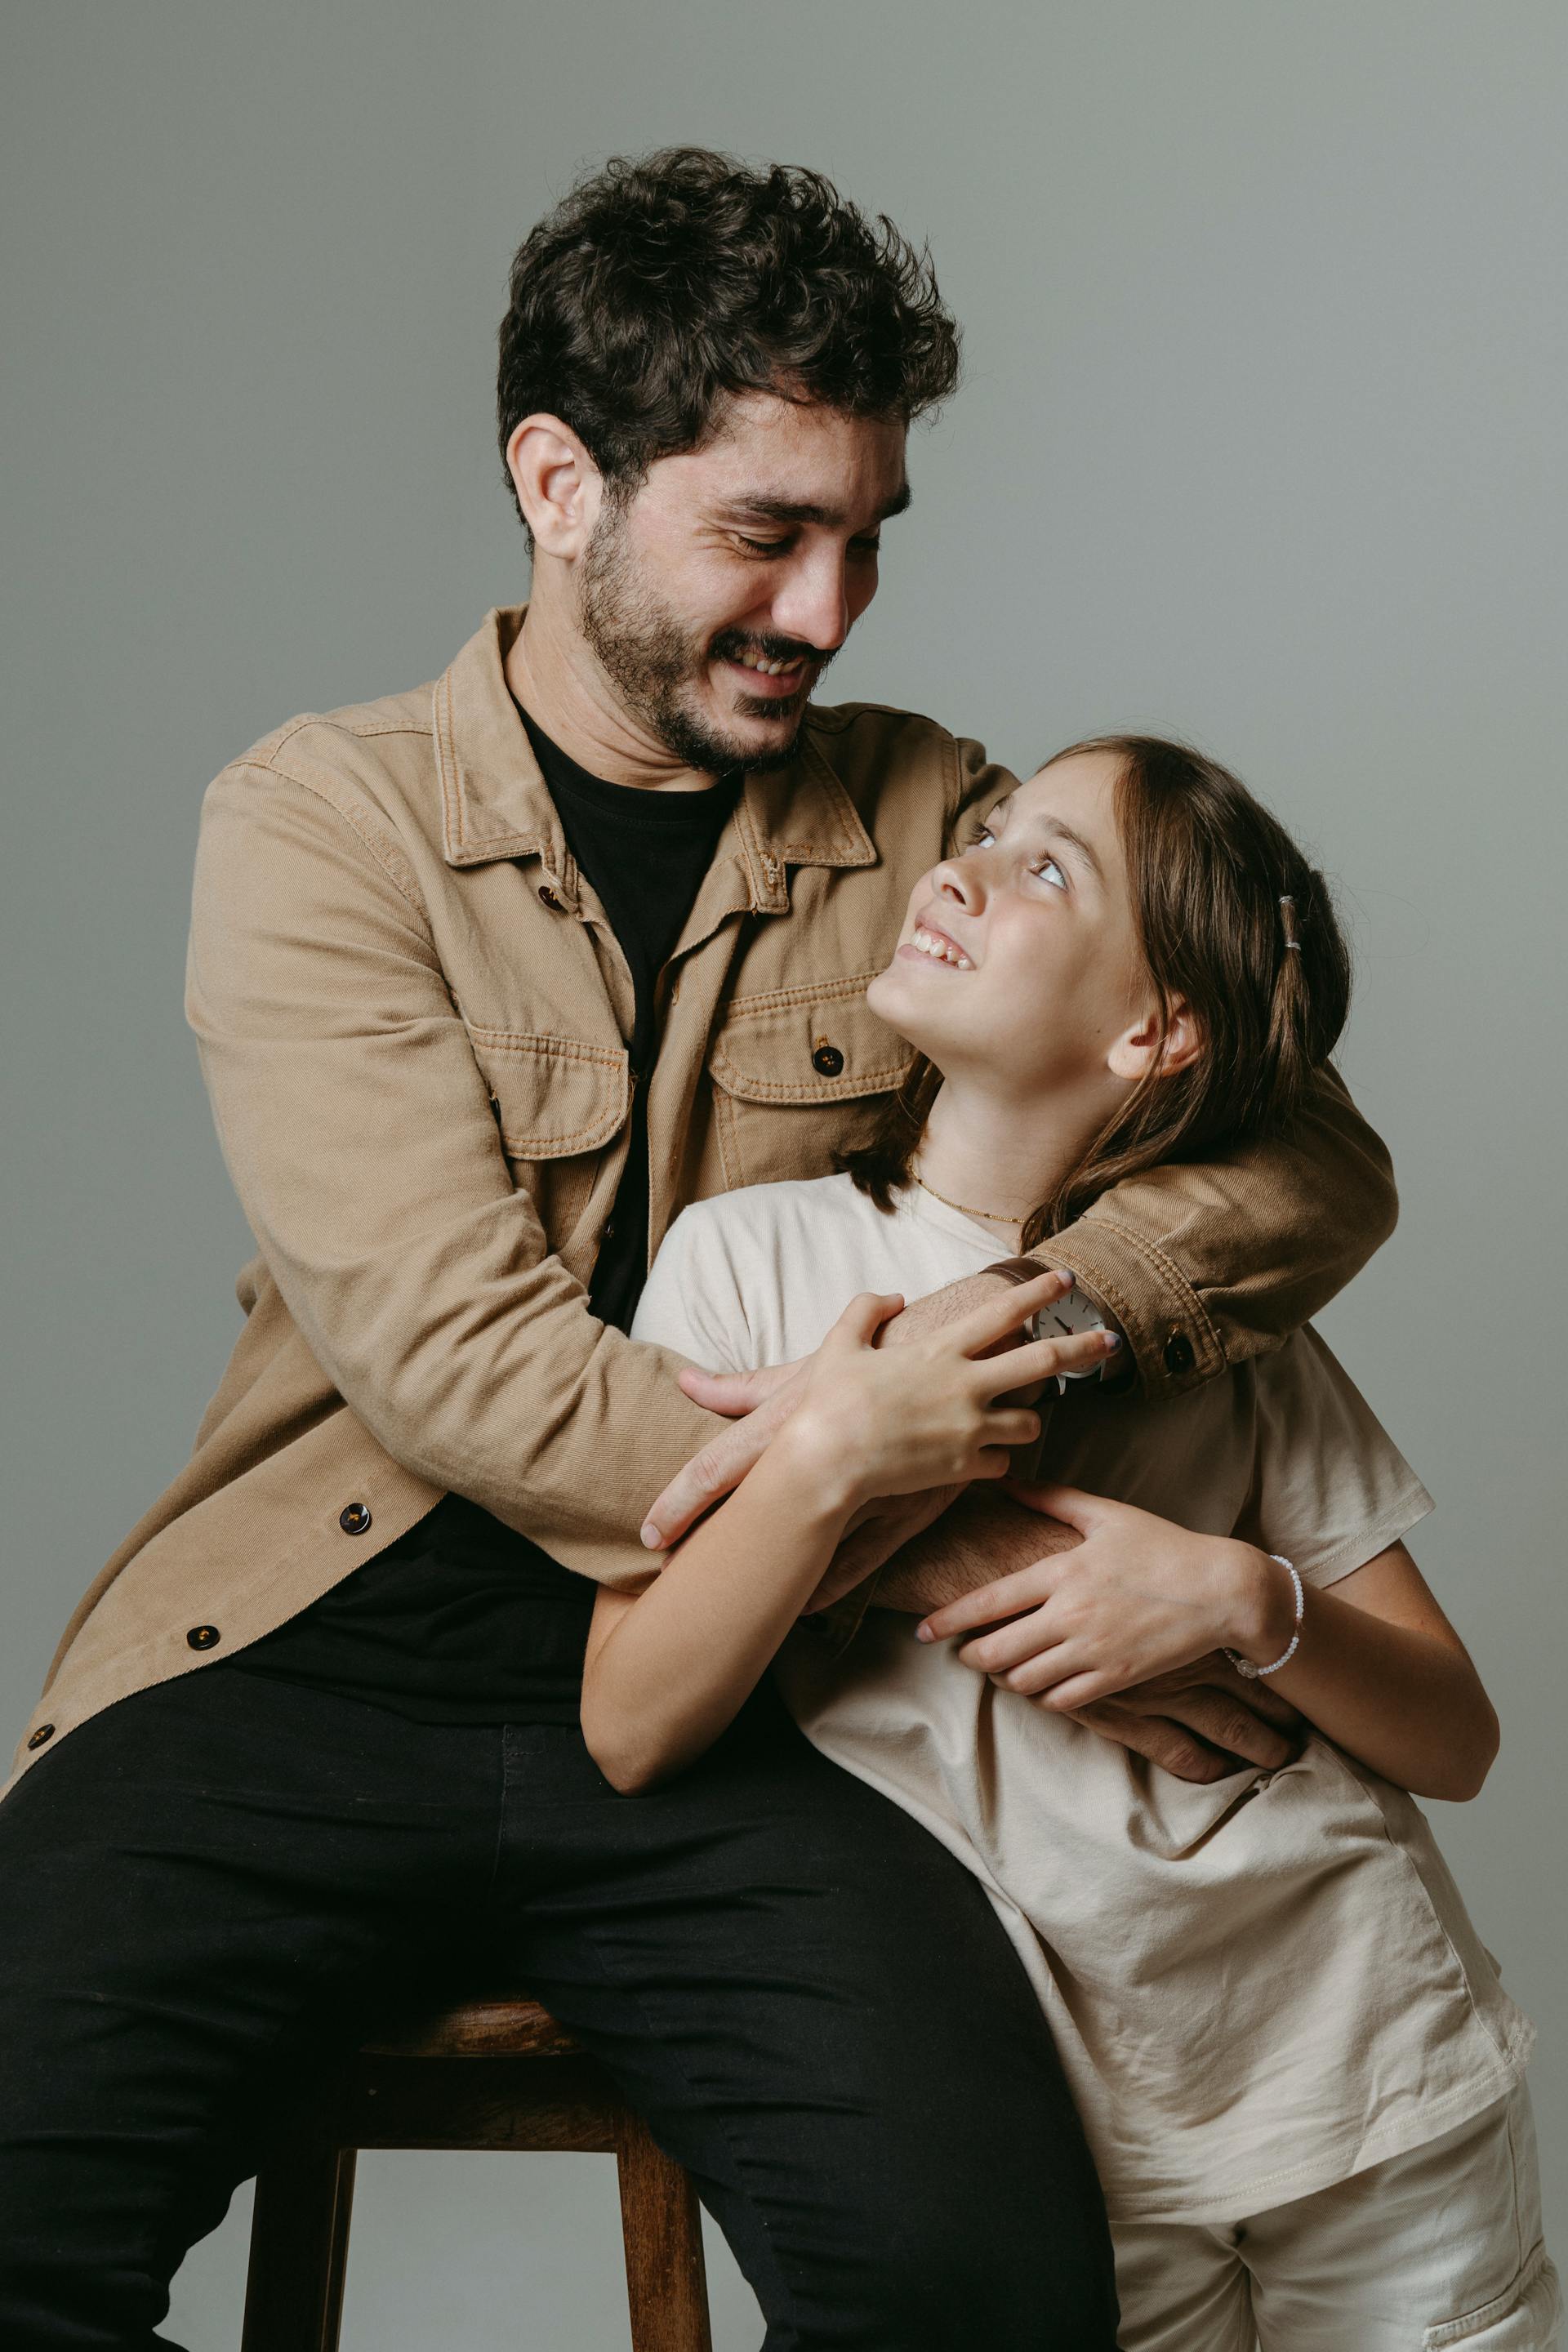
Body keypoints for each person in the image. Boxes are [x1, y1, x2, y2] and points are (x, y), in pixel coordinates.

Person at [1, 153, 1396, 2350]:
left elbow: (1311, 1159)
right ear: (558, 484)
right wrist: (879, 1488)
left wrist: (1035, 1355)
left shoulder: (936, 810)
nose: (830, 609)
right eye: (764, 534)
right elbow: (462, 1361)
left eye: (864, 540)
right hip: (309, 1657)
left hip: (750, 1712)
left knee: (986, 2292)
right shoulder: (317, 822)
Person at [595, 733, 1561, 2350]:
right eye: (985, 833)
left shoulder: (1216, 1312)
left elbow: (1454, 1738)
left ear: (1152, 1028)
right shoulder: (746, 1266)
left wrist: (1244, 1598)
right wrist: (834, 1460)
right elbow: (630, 1724)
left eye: (1048, 866)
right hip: (1051, 2122)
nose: (958, 871)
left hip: (1370, 2065)